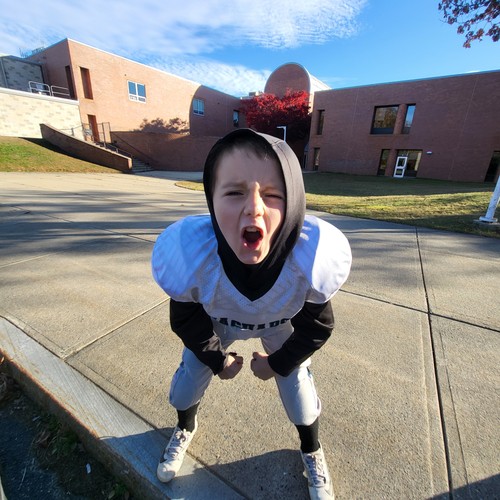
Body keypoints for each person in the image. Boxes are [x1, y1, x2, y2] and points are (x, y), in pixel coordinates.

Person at [152, 128, 351, 499]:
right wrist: (216, 359)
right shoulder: (193, 256)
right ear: (211, 200)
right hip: (219, 322)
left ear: (295, 201)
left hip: (279, 325)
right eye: (234, 192)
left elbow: (318, 327)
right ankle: (185, 427)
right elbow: (185, 320)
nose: (255, 208)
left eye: (273, 194)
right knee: (183, 390)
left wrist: (277, 363)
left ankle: (311, 448)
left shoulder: (308, 260)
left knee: (301, 400)